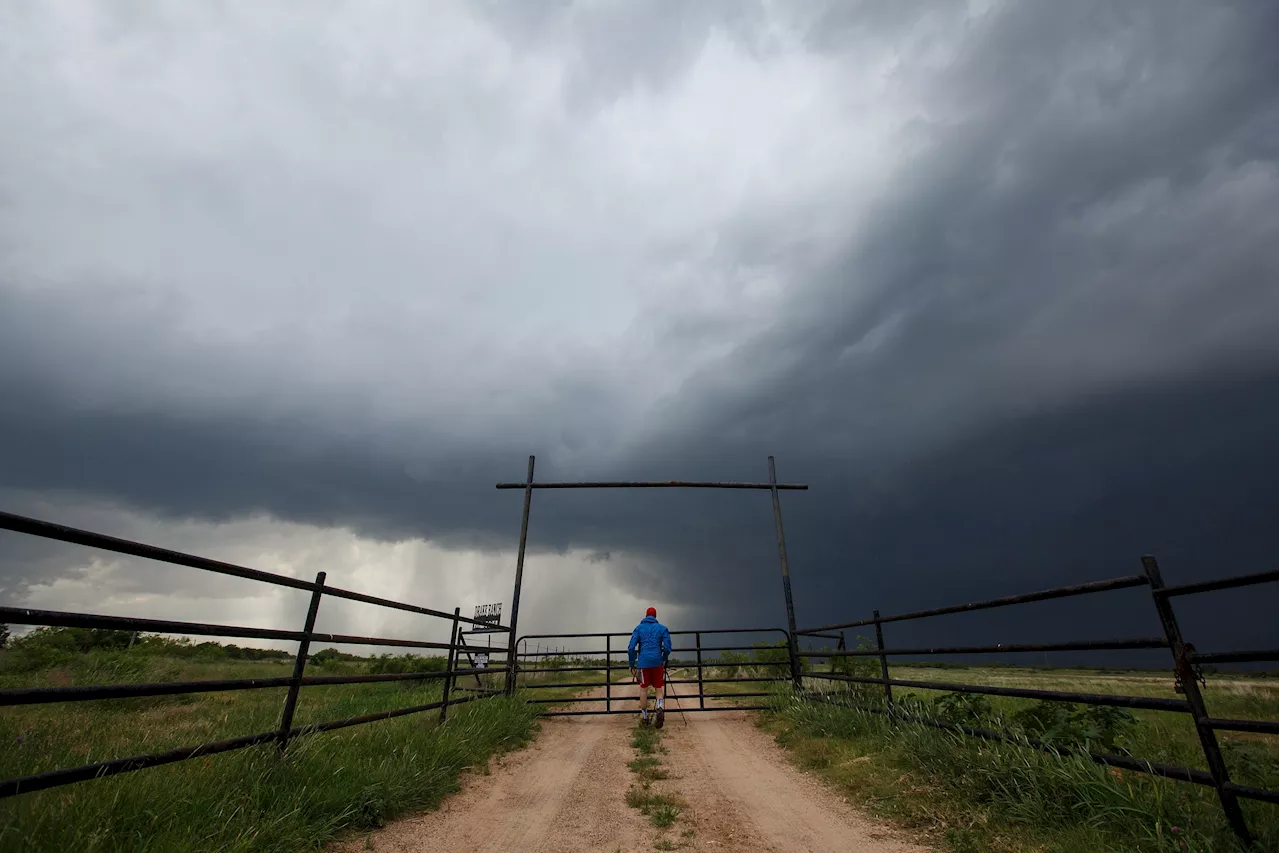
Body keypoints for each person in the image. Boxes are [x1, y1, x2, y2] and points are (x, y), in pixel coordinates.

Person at [627, 606, 672, 728]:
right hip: (657, 662)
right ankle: (660, 707)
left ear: (646, 616)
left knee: (643, 689)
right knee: (658, 688)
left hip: (643, 663)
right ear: (655, 616)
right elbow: (667, 647)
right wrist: (663, 658)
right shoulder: (662, 628)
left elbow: (631, 648)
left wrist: (631, 663)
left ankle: (645, 717)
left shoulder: (639, 628)